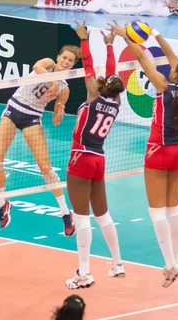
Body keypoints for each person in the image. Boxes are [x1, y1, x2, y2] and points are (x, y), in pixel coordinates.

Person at [112, 22, 178, 288]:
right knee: (175, 208)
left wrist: (125, 35)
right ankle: (177, 261)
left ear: (174, 74)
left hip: (157, 152)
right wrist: (156, 33)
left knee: (156, 210)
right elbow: (174, 60)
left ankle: (170, 264)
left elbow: (140, 57)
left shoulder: (162, 85)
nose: (170, 66)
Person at [0, 44, 81, 234]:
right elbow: (36, 67)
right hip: (13, 110)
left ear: (72, 66)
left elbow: (56, 122)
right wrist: (53, 82)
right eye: (64, 58)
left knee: (46, 170)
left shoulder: (64, 89)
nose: (66, 62)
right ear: (58, 57)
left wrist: (60, 110)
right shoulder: (48, 64)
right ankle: (2, 204)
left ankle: (66, 214)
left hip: (32, 118)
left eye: (70, 61)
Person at [65, 22, 124, 289]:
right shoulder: (116, 102)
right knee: (103, 215)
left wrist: (85, 39)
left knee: (81, 217)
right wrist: (110, 44)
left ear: (101, 87)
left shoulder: (92, 96)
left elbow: (89, 66)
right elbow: (111, 75)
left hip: (81, 157)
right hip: (99, 158)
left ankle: (85, 273)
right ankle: (117, 264)